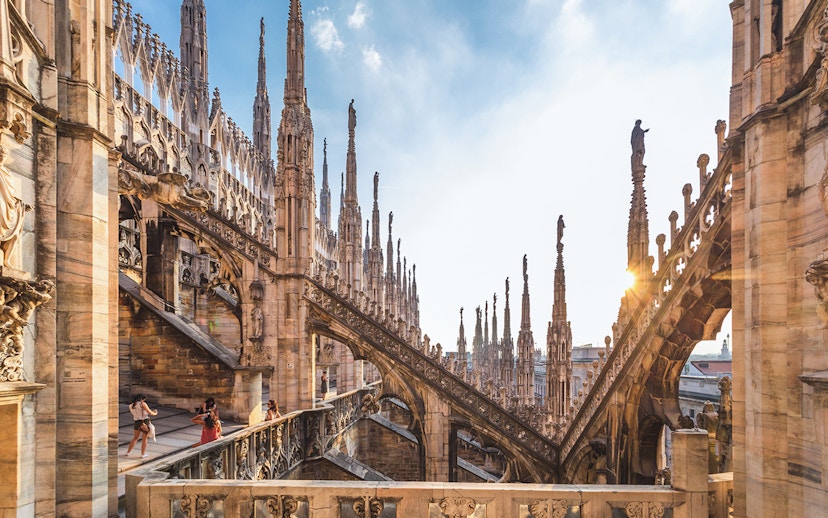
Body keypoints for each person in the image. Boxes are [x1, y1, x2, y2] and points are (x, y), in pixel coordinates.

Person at [125, 394, 157, 458]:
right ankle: (143, 454)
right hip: (144, 422)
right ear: (142, 399)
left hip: (137, 422)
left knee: (135, 438)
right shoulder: (143, 404)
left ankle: (128, 452)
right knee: (144, 439)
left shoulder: (131, 405)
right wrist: (155, 413)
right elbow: (150, 413)